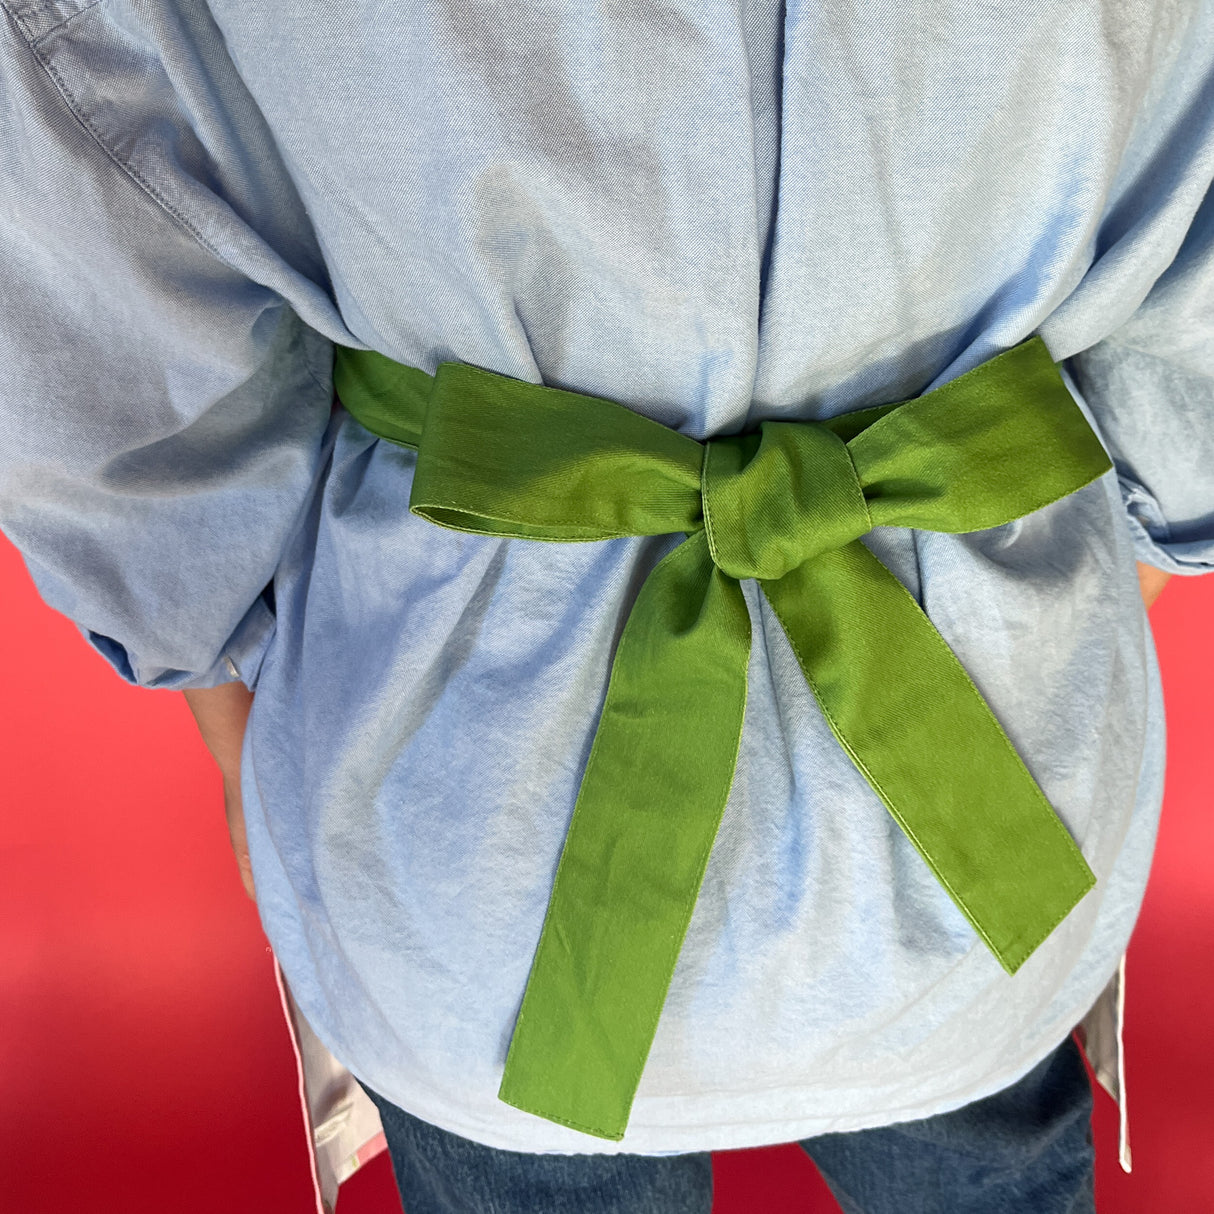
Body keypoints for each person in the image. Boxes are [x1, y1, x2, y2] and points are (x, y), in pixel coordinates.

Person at [1, 1, 1209, 1210]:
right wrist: (1085, 609)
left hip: (466, 830)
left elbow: (107, 243)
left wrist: (223, 700)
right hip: (993, 804)